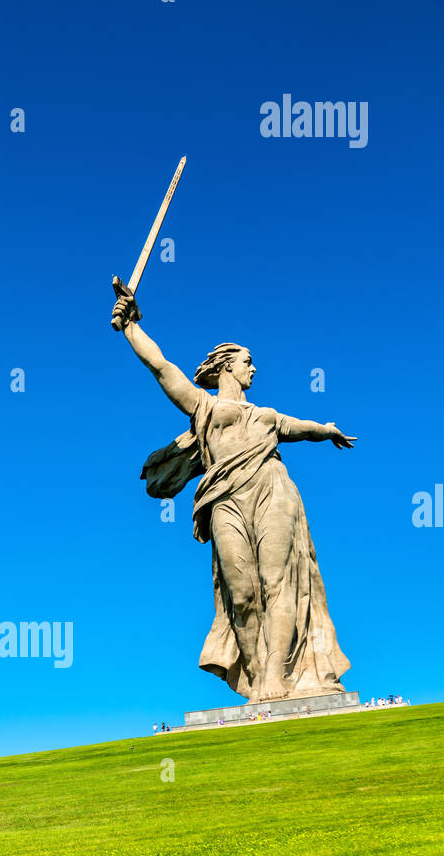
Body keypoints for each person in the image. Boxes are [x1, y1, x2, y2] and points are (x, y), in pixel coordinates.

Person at [112, 285, 355, 704]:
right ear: (227, 366)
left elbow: (303, 427)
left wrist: (328, 429)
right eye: (247, 362)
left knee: (276, 582)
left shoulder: (267, 416)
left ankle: (276, 676)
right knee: (240, 592)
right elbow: (162, 368)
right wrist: (132, 326)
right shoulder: (204, 408)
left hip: (272, 488)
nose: (254, 369)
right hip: (225, 498)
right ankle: (258, 676)